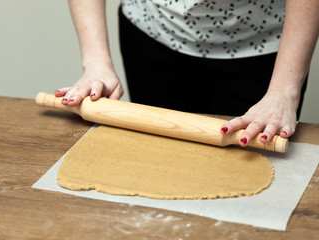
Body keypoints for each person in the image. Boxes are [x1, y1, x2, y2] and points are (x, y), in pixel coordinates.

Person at [55, 0, 319, 147]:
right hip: (151, 30)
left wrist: (283, 91)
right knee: (156, 155)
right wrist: (95, 63)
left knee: (247, 158)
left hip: (261, 45)